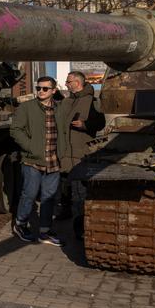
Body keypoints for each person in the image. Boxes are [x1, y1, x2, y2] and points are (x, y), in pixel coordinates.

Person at [10, 76, 68, 246]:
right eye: (38, 88)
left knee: (49, 198)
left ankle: (45, 231)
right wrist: (31, 147)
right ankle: (20, 224)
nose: (41, 91)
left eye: (45, 89)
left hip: (53, 160)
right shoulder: (26, 107)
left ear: (53, 91)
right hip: (32, 160)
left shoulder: (59, 108)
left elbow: (63, 131)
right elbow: (15, 130)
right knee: (29, 194)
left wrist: (62, 151)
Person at [60, 71, 105, 240]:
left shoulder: (92, 101)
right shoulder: (67, 100)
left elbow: (100, 123)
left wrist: (85, 124)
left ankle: (82, 226)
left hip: (81, 152)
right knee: (65, 183)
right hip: (65, 152)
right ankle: (66, 211)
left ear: (78, 83)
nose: (66, 84)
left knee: (81, 190)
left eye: (69, 81)